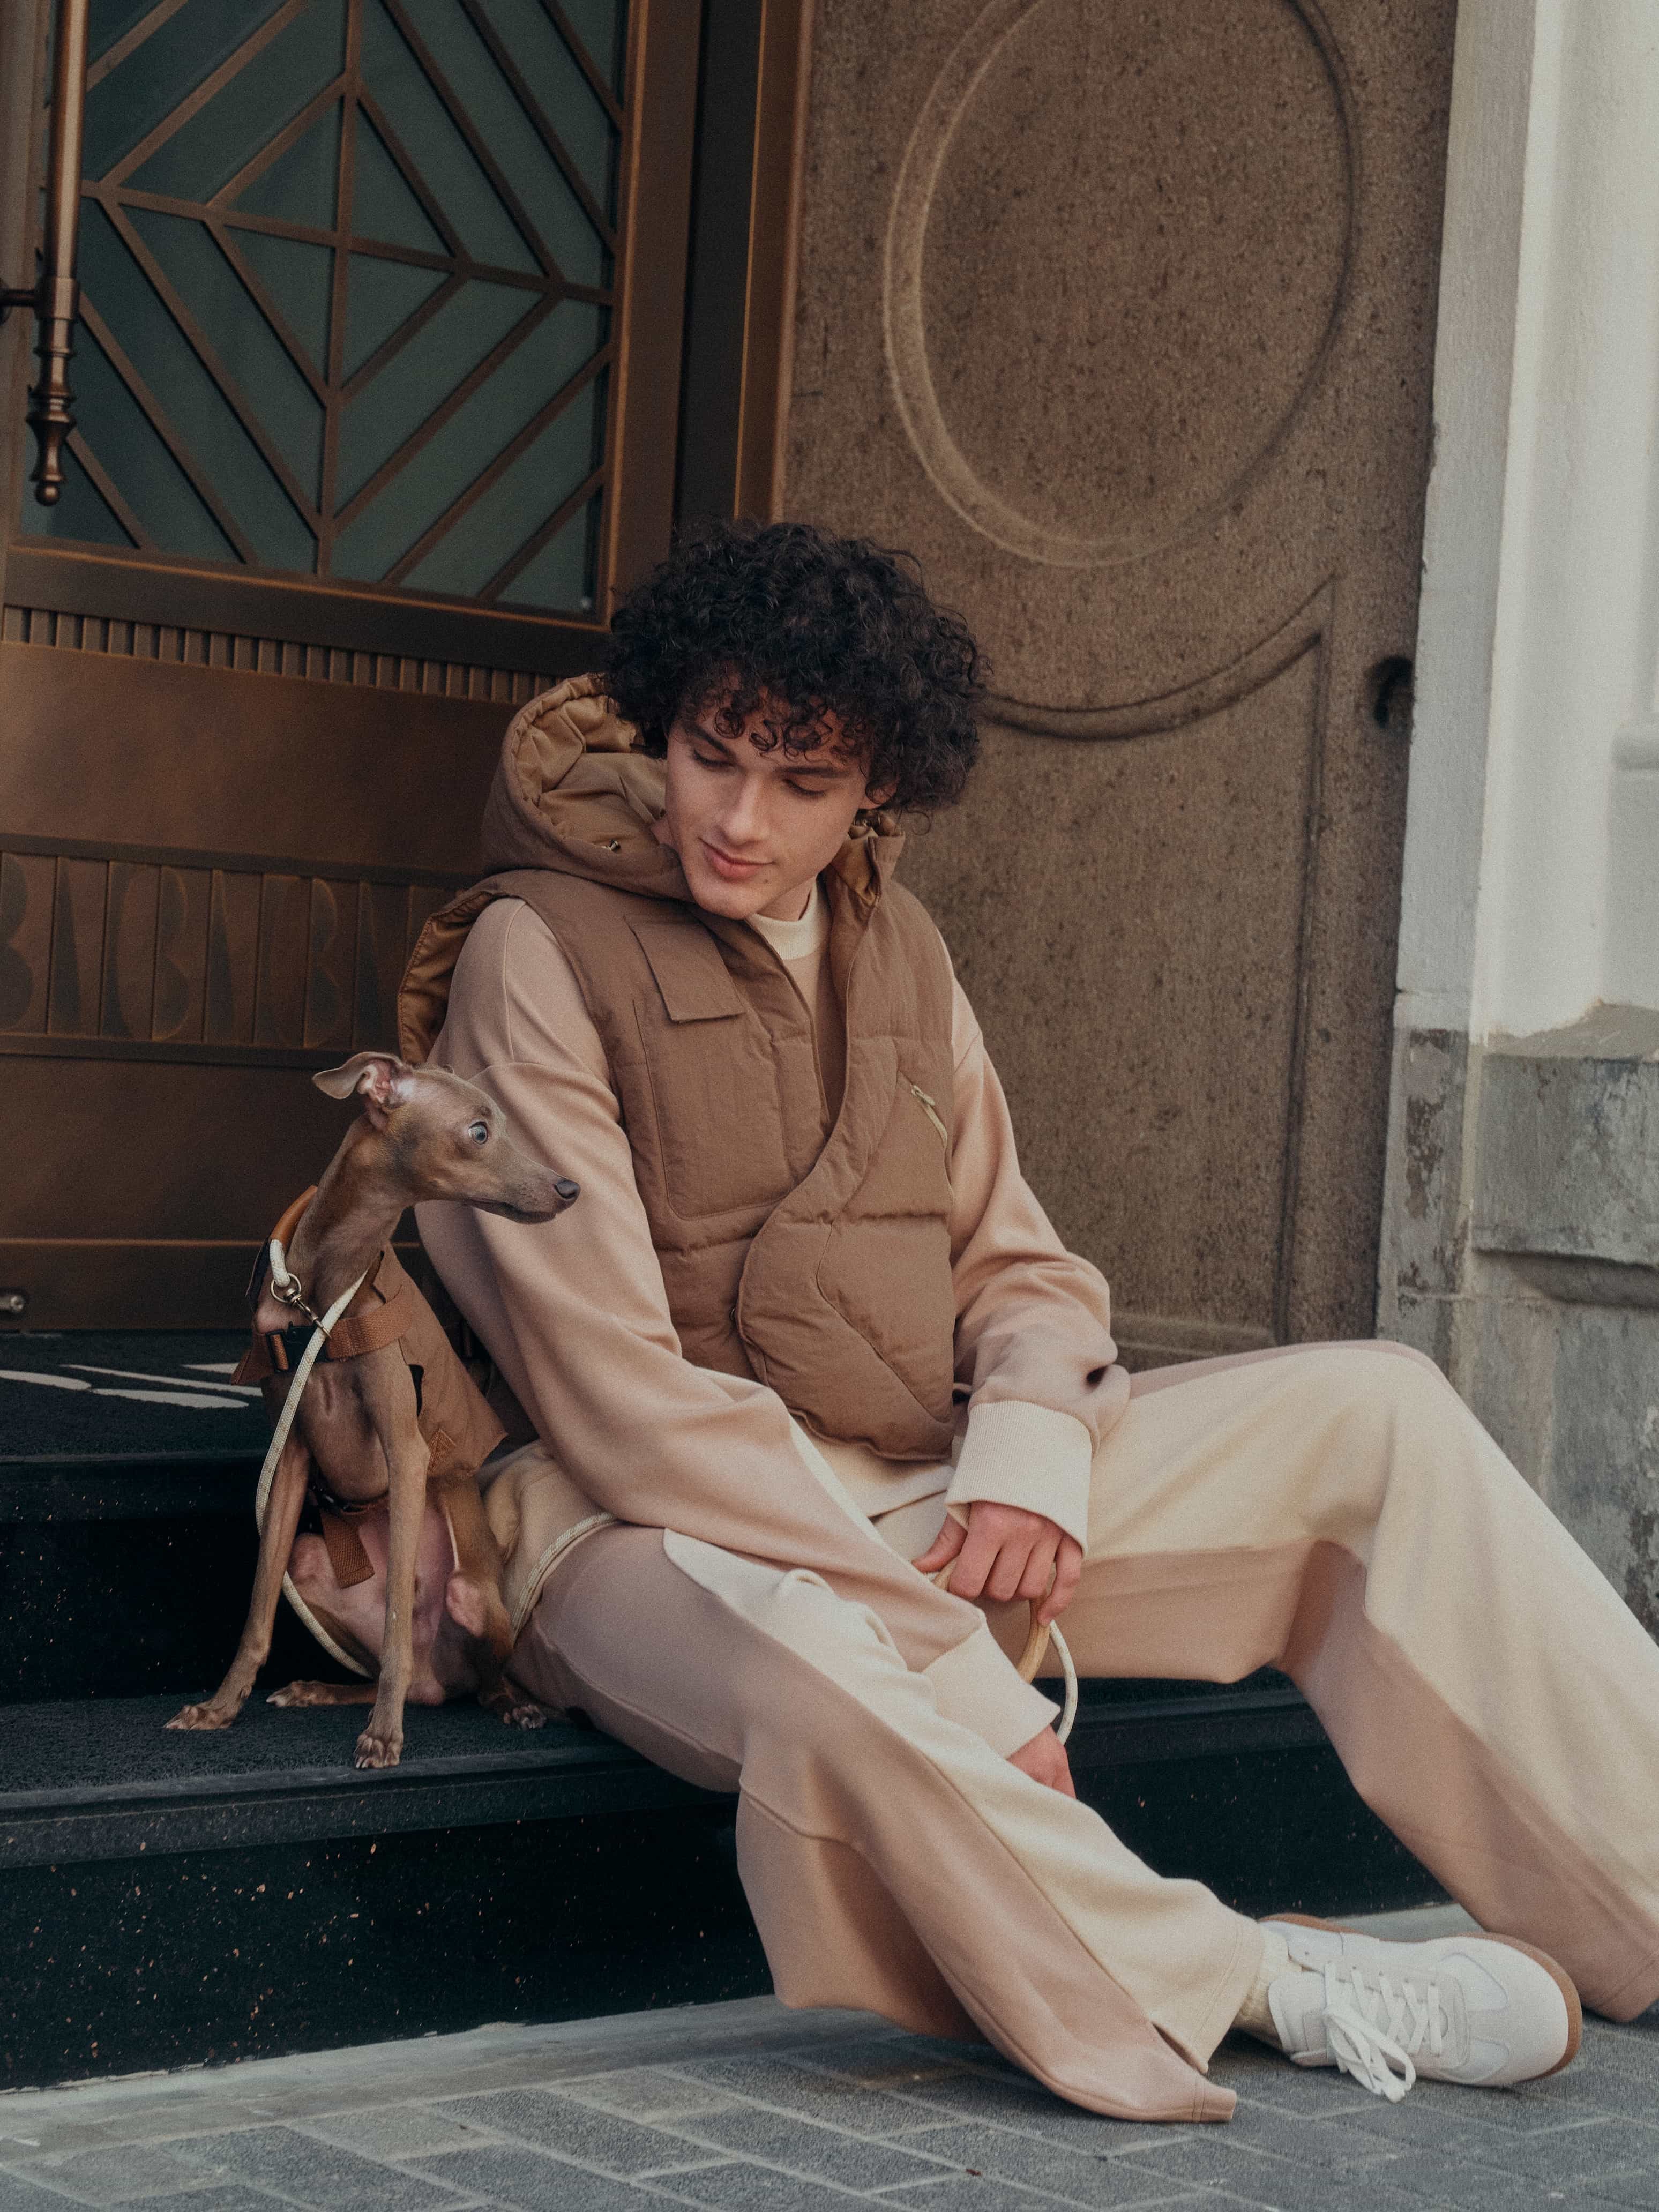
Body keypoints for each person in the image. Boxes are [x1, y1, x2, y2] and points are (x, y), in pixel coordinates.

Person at [349, 521, 1659, 2120]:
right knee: (825, 1667)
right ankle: (1269, 1986)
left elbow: (1017, 1267)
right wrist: (959, 1676)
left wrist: (1032, 1449)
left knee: (1376, 1412)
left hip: (918, 1487)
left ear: (880, 788)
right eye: (711, 758)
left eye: (803, 785)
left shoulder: (901, 952)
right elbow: (616, 1396)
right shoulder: (533, 950)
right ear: (663, 721)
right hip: (633, 1535)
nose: (741, 821)